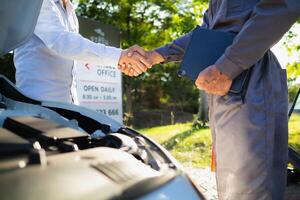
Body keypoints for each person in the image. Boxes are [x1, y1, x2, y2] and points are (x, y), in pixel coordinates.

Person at [121, 0, 300, 199]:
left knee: (251, 188)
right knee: (232, 182)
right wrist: (155, 55)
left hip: (247, 78)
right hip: (227, 84)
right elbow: (206, 31)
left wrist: (227, 67)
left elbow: (282, 6)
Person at [14, 0, 149, 103]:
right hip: (38, 105)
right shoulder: (37, 2)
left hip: (68, 105)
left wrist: (120, 61)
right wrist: (120, 56)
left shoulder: (70, 11)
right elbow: (61, 41)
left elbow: (72, 52)